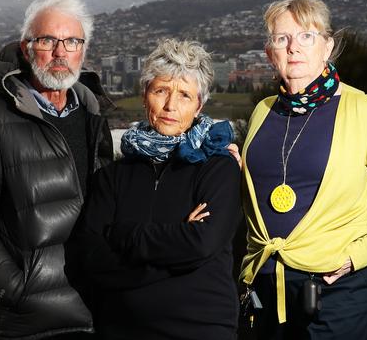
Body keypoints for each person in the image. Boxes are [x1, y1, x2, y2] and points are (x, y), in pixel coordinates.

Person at [239, 0, 367, 339]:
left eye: (307, 36)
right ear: (269, 53)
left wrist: (358, 256)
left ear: (327, 47)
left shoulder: (362, 109)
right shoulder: (263, 111)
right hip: (269, 282)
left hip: (340, 284)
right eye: (282, 38)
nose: (294, 47)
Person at [0, 0, 113, 339]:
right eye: (47, 41)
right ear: (26, 48)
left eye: (72, 42)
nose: (60, 52)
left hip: (98, 309)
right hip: (28, 323)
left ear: (84, 50)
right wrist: (16, 290)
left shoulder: (94, 115)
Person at [67, 39, 242, 340]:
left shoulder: (218, 168)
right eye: (161, 90)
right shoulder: (113, 177)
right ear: (145, 94)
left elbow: (203, 243)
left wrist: (125, 235)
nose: (171, 106)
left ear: (199, 104)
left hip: (201, 330)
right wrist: (177, 244)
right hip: (121, 329)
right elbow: (89, 258)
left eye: (184, 95)